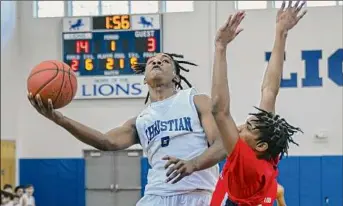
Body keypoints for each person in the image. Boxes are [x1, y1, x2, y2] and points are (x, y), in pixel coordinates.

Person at [28, 53, 227, 205]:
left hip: (198, 195)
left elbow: (222, 145)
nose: (157, 62)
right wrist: (60, 119)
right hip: (156, 196)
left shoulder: (196, 101)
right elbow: (106, 142)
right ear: (144, 79)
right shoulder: (141, 120)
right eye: (151, 61)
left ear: (175, 75)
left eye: (165, 60)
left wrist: (194, 164)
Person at [210, 1, 306, 205]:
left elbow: (219, 110)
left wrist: (220, 48)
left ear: (260, 145)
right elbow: (269, 91)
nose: (241, 127)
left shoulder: (247, 163)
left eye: (248, 128)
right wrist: (281, 33)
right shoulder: (267, 153)